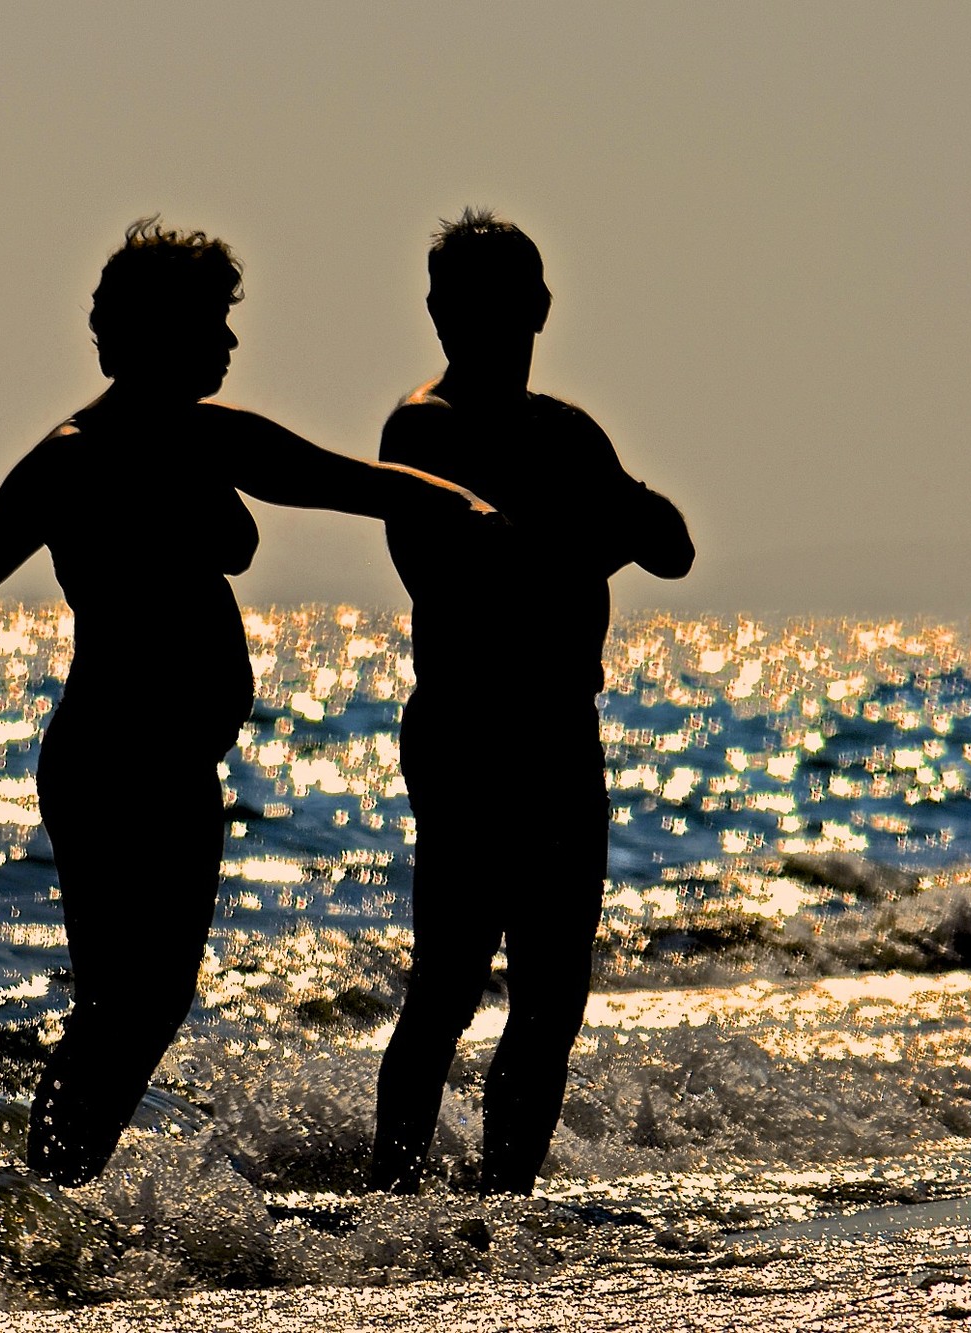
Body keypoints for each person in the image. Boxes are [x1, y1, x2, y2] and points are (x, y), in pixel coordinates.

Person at [0, 218, 492, 1187]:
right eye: (213, 323)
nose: (230, 345)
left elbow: (351, 484)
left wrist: (465, 506)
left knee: (143, 1004)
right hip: (112, 759)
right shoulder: (75, 456)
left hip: (174, 764)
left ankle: (54, 1191)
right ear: (155, 332)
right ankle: (48, 1191)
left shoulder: (214, 437)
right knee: (123, 1005)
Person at [369, 209, 694, 1196]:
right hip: (469, 731)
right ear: (434, 312)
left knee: (552, 995)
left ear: (539, 307)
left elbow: (671, 546)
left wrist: (593, 514)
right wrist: (591, 532)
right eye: (460, 303)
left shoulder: (564, 429)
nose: (476, 321)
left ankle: (500, 1208)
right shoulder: (424, 427)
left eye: (499, 302)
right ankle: (389, 1196)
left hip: (560, 730)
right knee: (448, 983)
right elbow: (457, 573)